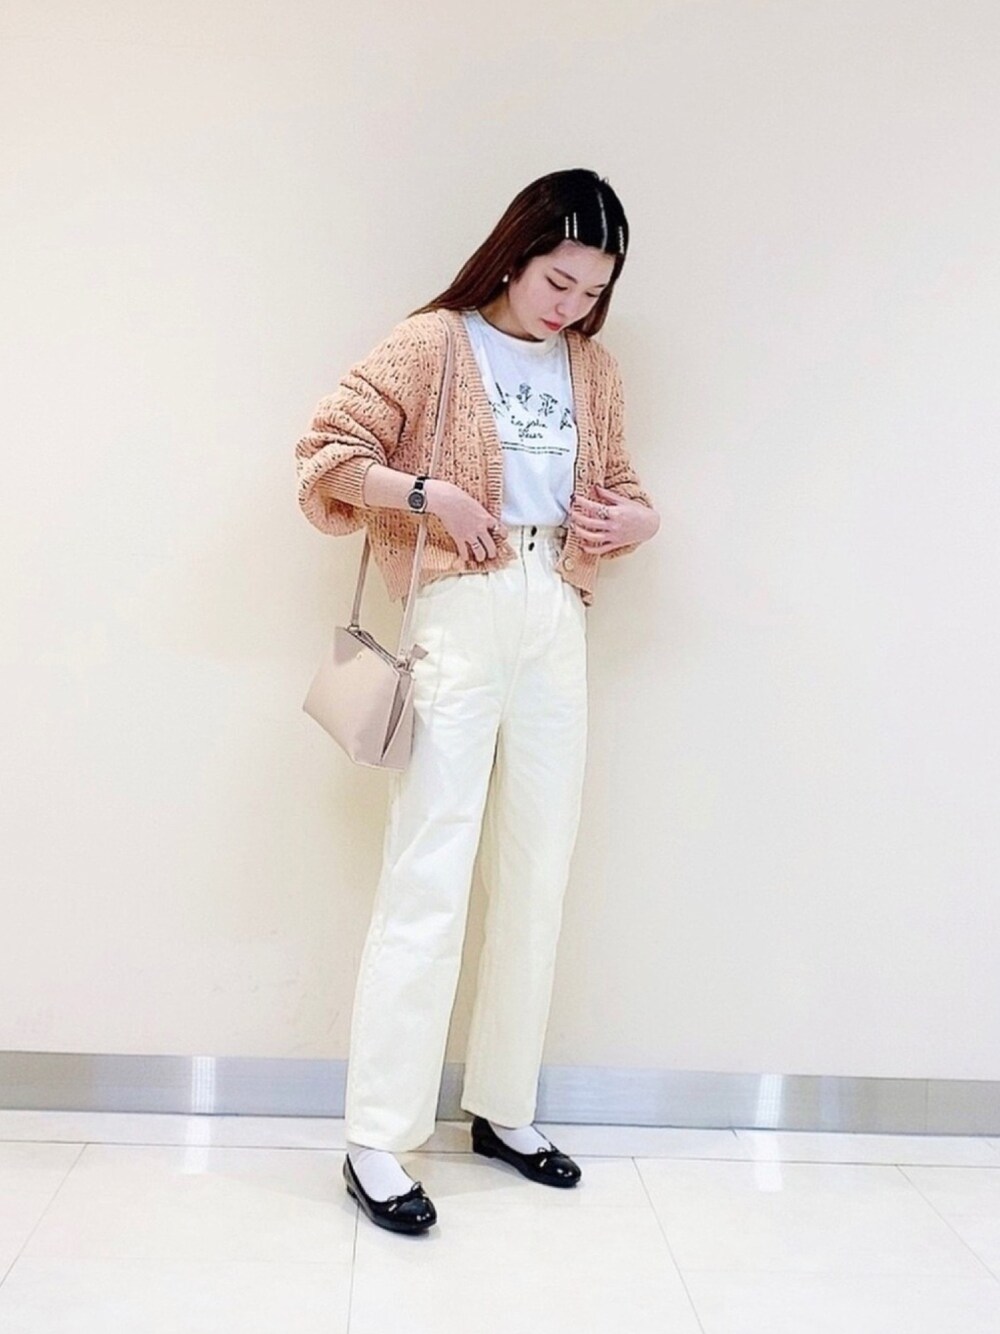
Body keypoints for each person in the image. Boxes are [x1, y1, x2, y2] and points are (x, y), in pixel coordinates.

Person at [294, 167, 659, 1234]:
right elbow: (325, 456)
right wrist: (431, 494)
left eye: (591, 291)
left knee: (539, 864)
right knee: (431, 866)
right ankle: (377, 1136)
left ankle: (504, 1106)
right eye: (557, 281)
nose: (570, 306)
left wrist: (634, 524)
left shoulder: (593, 369)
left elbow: (627, 492)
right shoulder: (433, 343)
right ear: (514, 255)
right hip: (457, 608)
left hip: (557, 609)